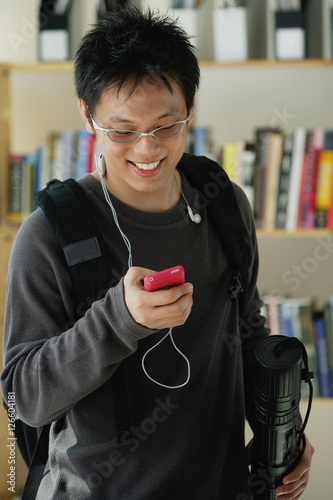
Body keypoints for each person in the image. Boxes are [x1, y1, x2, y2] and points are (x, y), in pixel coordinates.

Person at [1, 7, 314, 500]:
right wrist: (119, 320)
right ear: (87, 114)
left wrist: (284, 433)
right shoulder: (48, 236)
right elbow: (21, 400)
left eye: (168, 126)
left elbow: (248, 332)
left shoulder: (224, 204)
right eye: (122, 130)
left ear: (190, 106)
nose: (147, 150)